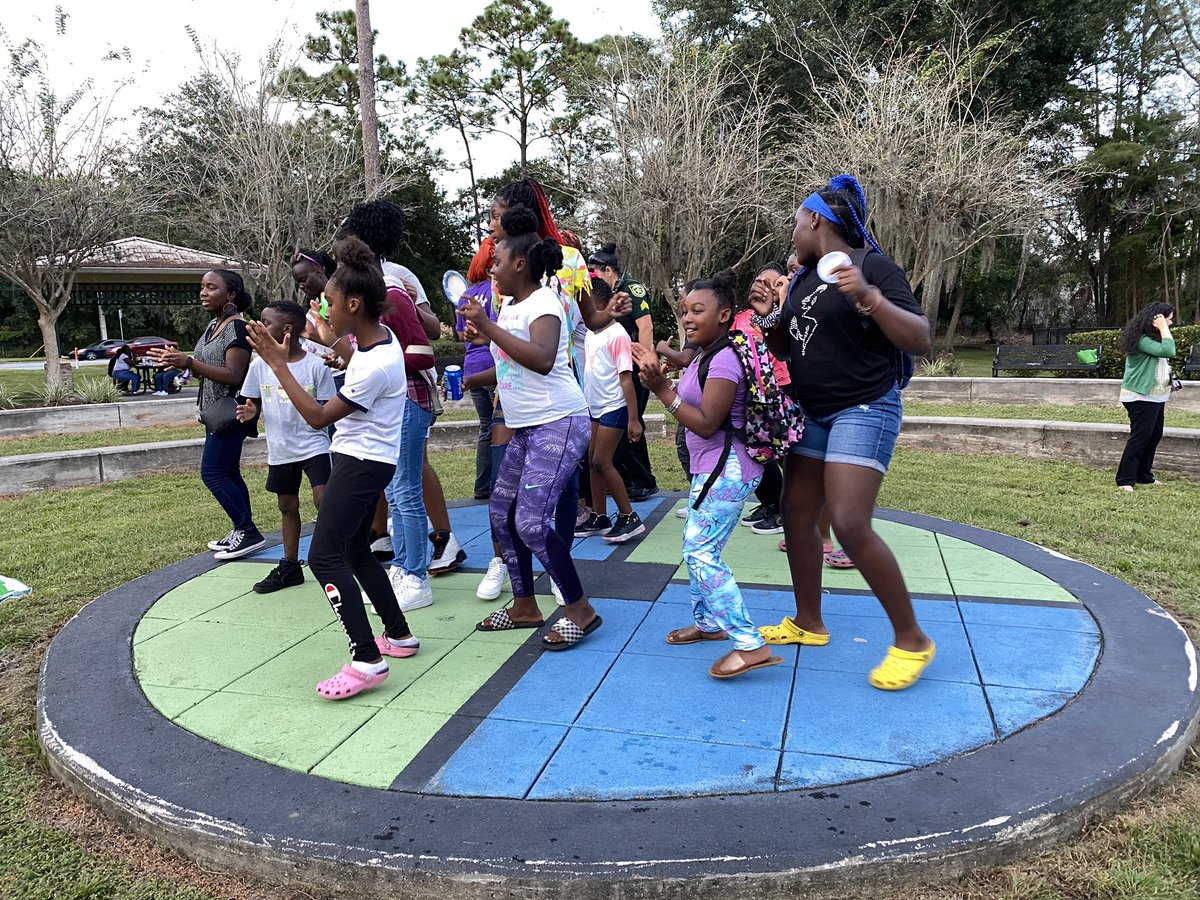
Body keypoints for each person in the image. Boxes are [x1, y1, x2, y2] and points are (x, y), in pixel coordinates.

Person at [749, 174, 934, 691]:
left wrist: (870, 297)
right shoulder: (805, 281)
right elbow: (792, 350)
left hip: (864, 407)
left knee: (850, 522)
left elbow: (919, 338)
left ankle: (913, 640)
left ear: (816, 220)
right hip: (814, 412)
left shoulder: (872, 267)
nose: (791, 233)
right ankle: (809, 622)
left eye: (795, 223)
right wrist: (772, 321)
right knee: (796, 512)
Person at [246, 236, 420, 700]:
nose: (319, 306)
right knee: (358, 552)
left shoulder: (374, 365)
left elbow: (319, 417)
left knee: (323, 557)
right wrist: (325, 342)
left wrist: (279, 365)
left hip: (360, 465)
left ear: (355, 303)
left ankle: (367, 659)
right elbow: (350, 355)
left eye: (328, 301)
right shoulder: (378, 342)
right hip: (366, 461)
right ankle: (399, 635)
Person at [461, 205, 601, 649]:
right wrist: (484, 337)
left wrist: (490, 329)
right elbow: (513, 359)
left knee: (532, 522)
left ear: (520, 264)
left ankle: (581, 609)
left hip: (559, 420)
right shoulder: (511, 306)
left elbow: (541, 359)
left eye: (496, 262)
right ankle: (525, 606)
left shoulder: (545, 302)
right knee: (501, 513)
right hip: (527, 426)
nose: (491, 270)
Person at [632, 271, 781, 679]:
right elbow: (688, 373)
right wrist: (658, 364)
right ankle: (708, 623)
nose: (688, 318)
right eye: (684, 311)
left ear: (725, 314)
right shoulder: (707, 353)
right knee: (695, 546)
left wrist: (663, 389)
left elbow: (706, 423)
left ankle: (749, 645)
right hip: (713, 468)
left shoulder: (726, 359)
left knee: (700, 552)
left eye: (698, 310)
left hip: (728, 470)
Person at [332, 200, 444, 611]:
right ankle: (403, 565)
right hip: (398, 403)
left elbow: (423, 350)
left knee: (404, 490)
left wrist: (386, 363)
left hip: (410, 400)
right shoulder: (378, 289)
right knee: (397, 492)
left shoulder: (391, 288)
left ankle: (416, 575)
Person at [149, 269, 265, 560]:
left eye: (211, 287)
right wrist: (180, 363)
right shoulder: (214, 324)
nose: (203, 292)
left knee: (212, 473)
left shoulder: (237, 328)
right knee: (228, 472)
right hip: (214, 412)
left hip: (232, 412)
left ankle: (247, 530)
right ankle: (242, 531)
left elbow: (233, 374)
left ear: (231, 295)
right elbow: (205, 363)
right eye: (202, 287)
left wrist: (189, 361)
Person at [236, 301, 336, 593]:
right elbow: (251, 401)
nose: (260, 327)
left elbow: (326, 409)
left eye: (266, 323)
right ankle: (290, 567)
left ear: (287, 330)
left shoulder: (316, 365)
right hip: (281, 448)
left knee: (324, 499)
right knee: (287, 505)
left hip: (314, 445)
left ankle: (336, 556)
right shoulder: (258, 366)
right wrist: (251, 413)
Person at [576, 277, 645, 543]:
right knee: (592, 461)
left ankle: (629, 516)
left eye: (587, 305)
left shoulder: (617, 334)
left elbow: (627, 378)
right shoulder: (593, 333)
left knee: (602, 461)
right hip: (594, 406)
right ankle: (599, 515)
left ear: (601, 304)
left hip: (614, 406)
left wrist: (633, 418)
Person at [590, 242, 659, 500]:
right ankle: (625, 478)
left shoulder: (632, 289)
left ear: (608, 270)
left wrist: (644, 362)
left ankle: (643, 480)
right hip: (614, 365)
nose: (592, 278)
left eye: (595, 272)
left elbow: (646, 327)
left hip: (633, 363)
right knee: (615, 424)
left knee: (632, 421)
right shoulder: (605, 296)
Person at [735, 262, 791, 536]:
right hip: (748, 394)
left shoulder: (781, 316)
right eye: (758, 280)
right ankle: (770, 503)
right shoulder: (741, 316)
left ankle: (788, 511)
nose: (761, 286)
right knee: (755, 452)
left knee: (781, 454)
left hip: (778, 389)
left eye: (770, 283)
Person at [1116, 302, 1176, 491]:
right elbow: (1169, 351)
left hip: (1156, 397)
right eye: (1169, 319)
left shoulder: (1154, 340)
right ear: (1156, 320)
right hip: (1140, 397)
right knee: (1141, 438)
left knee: (1153, 436)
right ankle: (1125, 479)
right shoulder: (1142, 340)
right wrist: (1163, 328)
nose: (1171, 323)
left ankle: (1143, 475)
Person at [456, 279, 499, 500]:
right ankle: (498, 489)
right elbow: (498, 333)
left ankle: (482, 488)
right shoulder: (495, 291)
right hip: (492, 367)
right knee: (501, 426)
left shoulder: (466, 295)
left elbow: (461, 335)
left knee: (486, 428)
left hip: (471, 367)